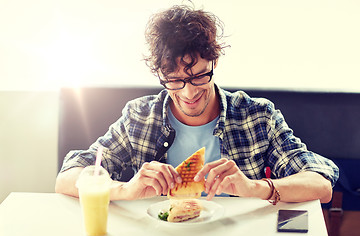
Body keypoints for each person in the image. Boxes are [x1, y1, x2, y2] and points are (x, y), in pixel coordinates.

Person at [55, 5, 338, 204]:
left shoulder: (257, 116)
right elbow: (68, 178)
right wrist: (126, 190)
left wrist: (254, 188)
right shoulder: (140, 116)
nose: (189, 93)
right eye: (174, 80)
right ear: (159, 75)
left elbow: (321, 184)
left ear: (215, 62)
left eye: (199, 76)